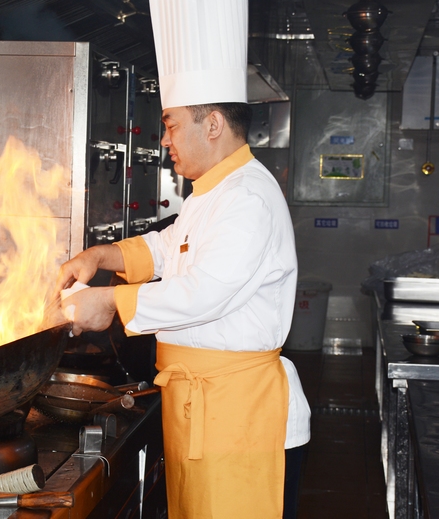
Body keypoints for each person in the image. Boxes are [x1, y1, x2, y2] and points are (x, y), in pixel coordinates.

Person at [55, 100, 310, 518]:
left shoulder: (247, 197)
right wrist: (101, 256)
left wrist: (111, 301)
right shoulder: (214, 190)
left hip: (241, 420)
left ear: (212, 125)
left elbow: (205, 291)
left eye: (171, 127)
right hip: (207, 411)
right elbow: (169, 246)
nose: (166, 141)